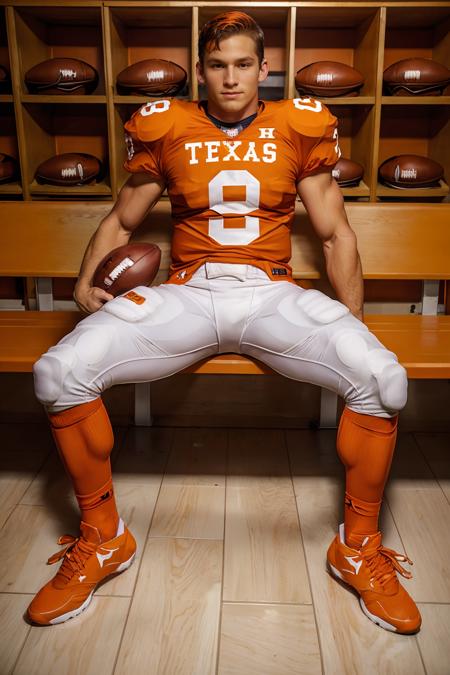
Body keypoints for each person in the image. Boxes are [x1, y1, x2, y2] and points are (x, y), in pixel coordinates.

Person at [28, 11, 420, 633]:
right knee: (57, 373)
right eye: (217, 65)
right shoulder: (167, 125)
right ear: (201, 70)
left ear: (265, 69)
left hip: (271, 292)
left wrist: (352, 323)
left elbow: (335, 232)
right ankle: (104, 537)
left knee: (383, 380)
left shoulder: (298, 124)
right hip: (187, 291)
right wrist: (83, 279)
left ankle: (357, 547)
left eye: (243, 65)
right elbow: (121, 220)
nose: (230, 78)